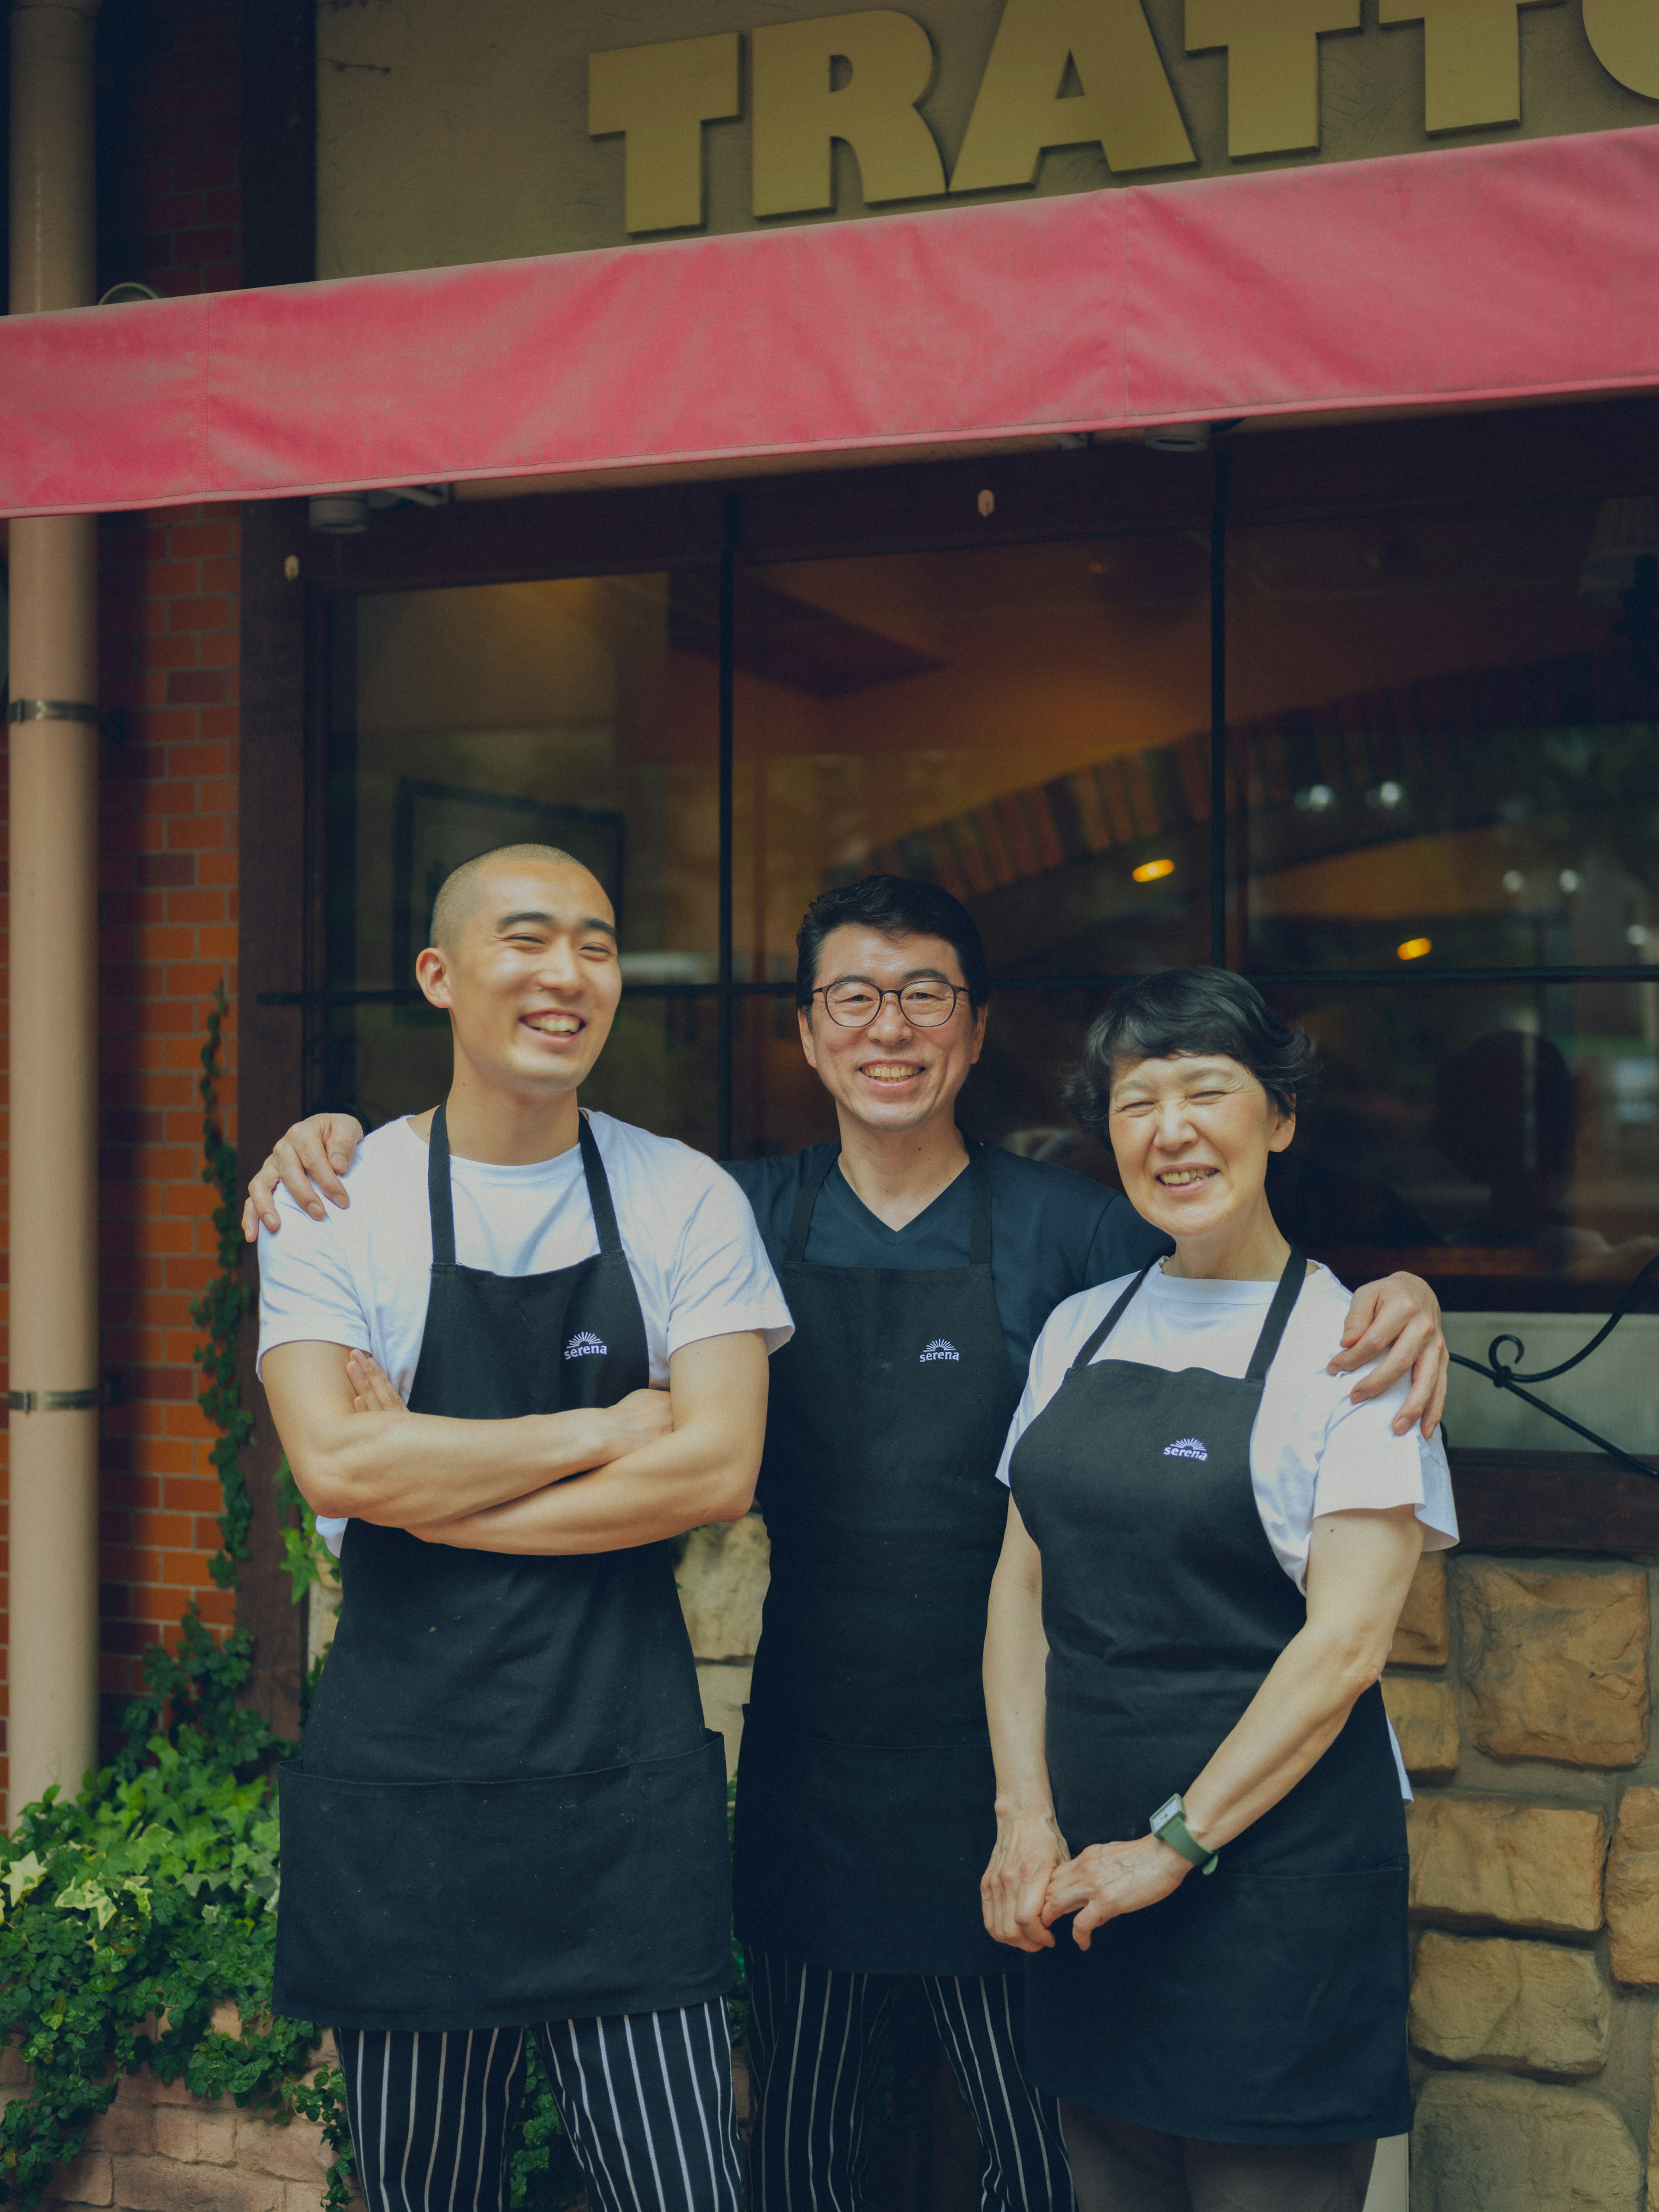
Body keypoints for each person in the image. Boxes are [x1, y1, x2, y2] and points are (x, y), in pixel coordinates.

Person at [247, 879, 1450, 2212]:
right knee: (800, 2146)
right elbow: (505, 1189)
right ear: (809, 1036)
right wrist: (335, 1143)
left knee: (1043, 2151)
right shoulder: (728, 1208)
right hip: (819, 1758)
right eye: (854, 1000)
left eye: (926, 995)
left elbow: (1232, 1268)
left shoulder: (1075, 1231)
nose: (892, 1029)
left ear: (976, 1031)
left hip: (1023, 1773)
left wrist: (1400, 1296)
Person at [255, 843, 792, 2212]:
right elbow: (329, 1453)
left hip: (621, 1787)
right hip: (409, 1798)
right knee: (428, 2193)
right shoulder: (337, 1202)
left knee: (684, 2191)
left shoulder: (684, 1197)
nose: (570, 976)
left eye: (600, 946)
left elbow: (720, 1468)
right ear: (440, 976)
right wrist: (610, 1430)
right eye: (532, 940)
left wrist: (423, 1480)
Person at [981, 967, 1456, 2212]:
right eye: (1138, 1101)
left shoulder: (1357, 1346)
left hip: (1273, 1896)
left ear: (1280, 1117)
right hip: (1090, 1887)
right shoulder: (1078, 1327)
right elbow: (1022, 1590)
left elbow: (1346, 1647)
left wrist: (1174, 1845)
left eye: (1209, 1090)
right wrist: (1025, 1818)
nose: (1172, 1129)